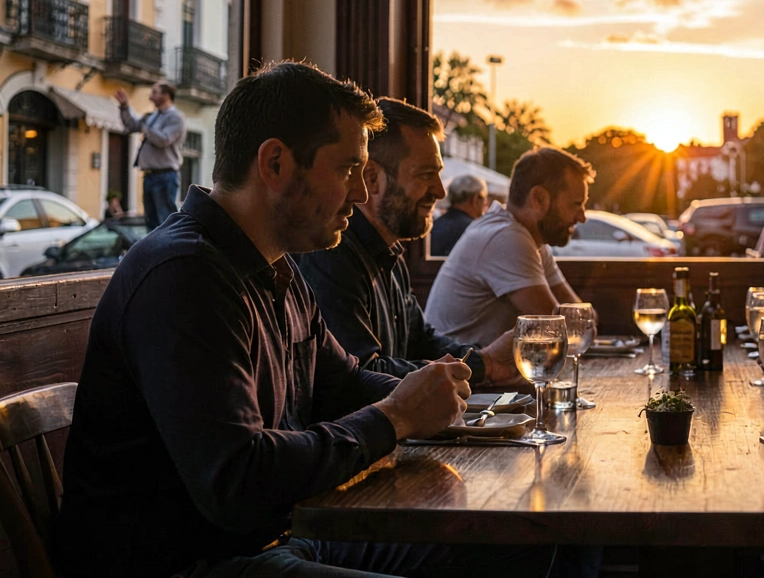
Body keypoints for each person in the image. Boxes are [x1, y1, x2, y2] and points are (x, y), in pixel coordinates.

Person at [55, 62, 551, 578]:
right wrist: (397, 417)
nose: (361, 194)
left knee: (522, 544)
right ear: (274, 164)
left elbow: (340, 382)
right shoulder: (184, 275)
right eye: (347, 169)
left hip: (278, 539)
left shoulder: (276, 263)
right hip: (187, 562)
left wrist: (448, 399)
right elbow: (238, 482)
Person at [298, 99, 522, 388]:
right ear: (372, 178)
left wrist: (485, 361)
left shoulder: (389, 252)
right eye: (426, 175)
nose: (440, 191)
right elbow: (363, 374)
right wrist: (482, 366)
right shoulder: (332, 254)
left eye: (439, 174)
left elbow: (420, 340)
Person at [426, 146, 591, 345]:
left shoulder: (533, 240)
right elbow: (558, 330)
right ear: (539, 199)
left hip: (484, 373)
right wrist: (580, 326)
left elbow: (583, 321)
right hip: (462, 372)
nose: (582, 217)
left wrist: (581, 325)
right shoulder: (506, 238)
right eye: (576, 204)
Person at [117, 81, 186, 230]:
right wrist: (124, 107)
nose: (150, 96)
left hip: (165, 176)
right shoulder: (153, 116)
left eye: (155, 92)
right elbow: (131, 125)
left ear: (166, 96)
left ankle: (169, 252)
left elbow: (164, 140)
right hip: (150, 176)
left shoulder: (175, 118)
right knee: (151, 223)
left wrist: (145, 128)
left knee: (165, 222)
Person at [430, 173, 488, 256]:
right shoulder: (476, 230)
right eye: (484, 198)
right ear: (474, 199)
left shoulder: (434, 225)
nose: (485, 203)